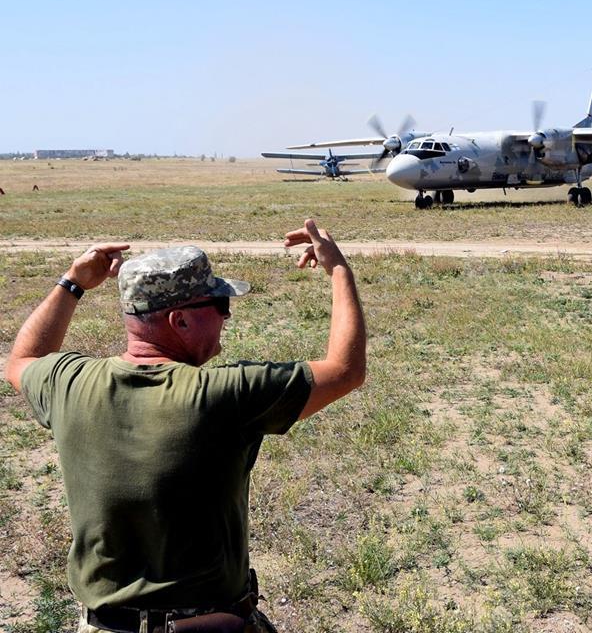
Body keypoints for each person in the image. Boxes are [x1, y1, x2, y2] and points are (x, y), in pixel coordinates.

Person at [4, 219, 366, 633]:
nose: (226, 318)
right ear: (180, 321)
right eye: (219, 306)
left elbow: (20, 361)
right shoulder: (223, 395)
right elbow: (345, 370)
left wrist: (72, 283)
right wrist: (339, 269)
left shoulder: (70, 383)